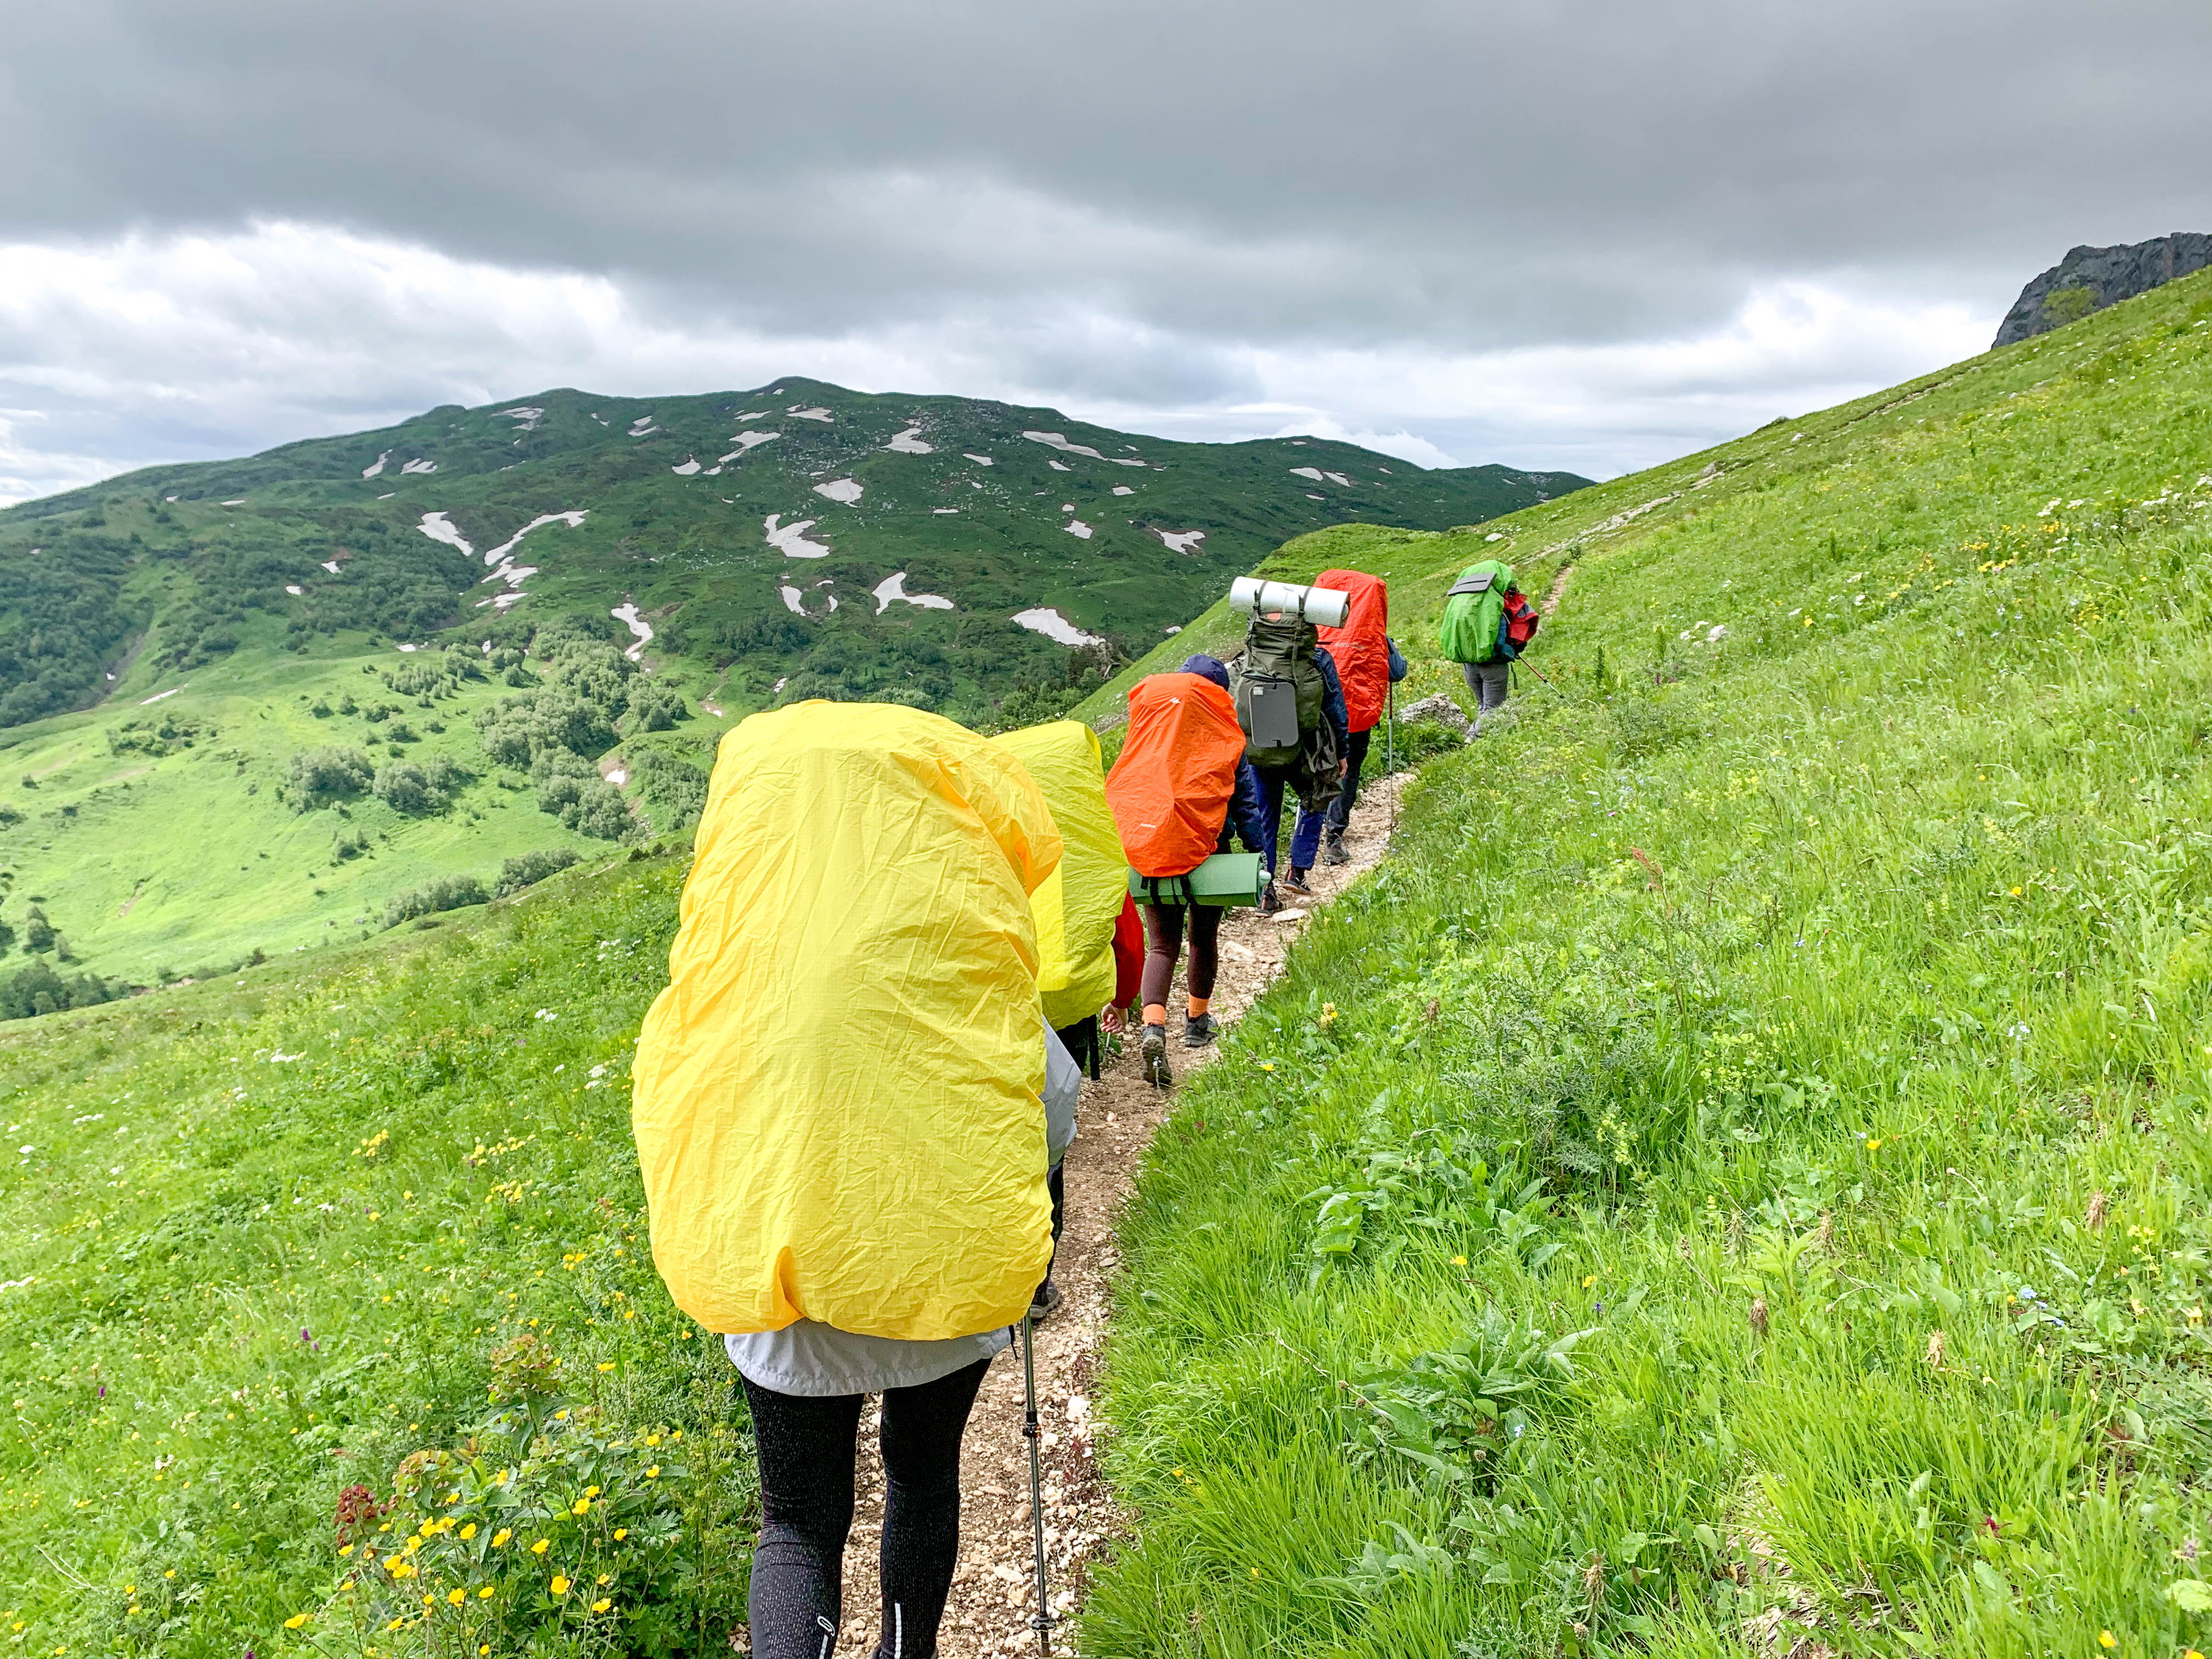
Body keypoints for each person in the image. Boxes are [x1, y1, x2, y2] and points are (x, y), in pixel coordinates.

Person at [630, 701, 1073, 1659]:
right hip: (943, 1272)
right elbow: (1054, 1104)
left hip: (778, 1277)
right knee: (921, 1476)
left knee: (797, 1516)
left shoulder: (725, 975)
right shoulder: (960, 960)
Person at [989, 718, 1137, 1322]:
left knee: (1002, 1138)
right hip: (1071, 1004)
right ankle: (1039, 1284)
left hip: (1000, 1009)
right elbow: (1127, 937)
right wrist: (1125, 998)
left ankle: (993, 1268)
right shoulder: (1088, 856)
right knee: (1051, 1142)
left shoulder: (981, 845)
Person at [1104, 654, 1271, 1087]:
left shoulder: (1150, 730)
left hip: (1151, 845)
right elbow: (1245, 802)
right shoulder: (1222, 736)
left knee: (1162, 946)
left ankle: (1153, 1028)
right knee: (1202, 938)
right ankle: (1196, 1023)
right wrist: (1259, 853)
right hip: (1208, 848)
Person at [1232, 607, 1347, 902]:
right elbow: (1335, 708)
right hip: (1305, 750)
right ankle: (1297, 871)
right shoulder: (1318, 659)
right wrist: (1342, 752)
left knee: (1265, 816)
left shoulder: (1249, 658)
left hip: (1259, 750)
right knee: (1317, 797)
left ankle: (1265, 892)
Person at [1310, 567, 1391, 867]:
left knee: (1314, 768)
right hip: (1356, 708)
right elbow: (1395, 670)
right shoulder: (1371, 632)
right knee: (1350, 767)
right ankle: (1334, 836)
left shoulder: (1316, 632)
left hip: (1315, 707)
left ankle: (1305, 839)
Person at [1438, 557, 1539, 732]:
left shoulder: (1463, 600)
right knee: (1493, 709)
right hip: (1493, 663)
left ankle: (1482, 739)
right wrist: (1511, 651)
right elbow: (1508, 637)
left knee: (1483, 706)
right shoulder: (1495, 602)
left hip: (1468, 664)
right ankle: (1473, 738)